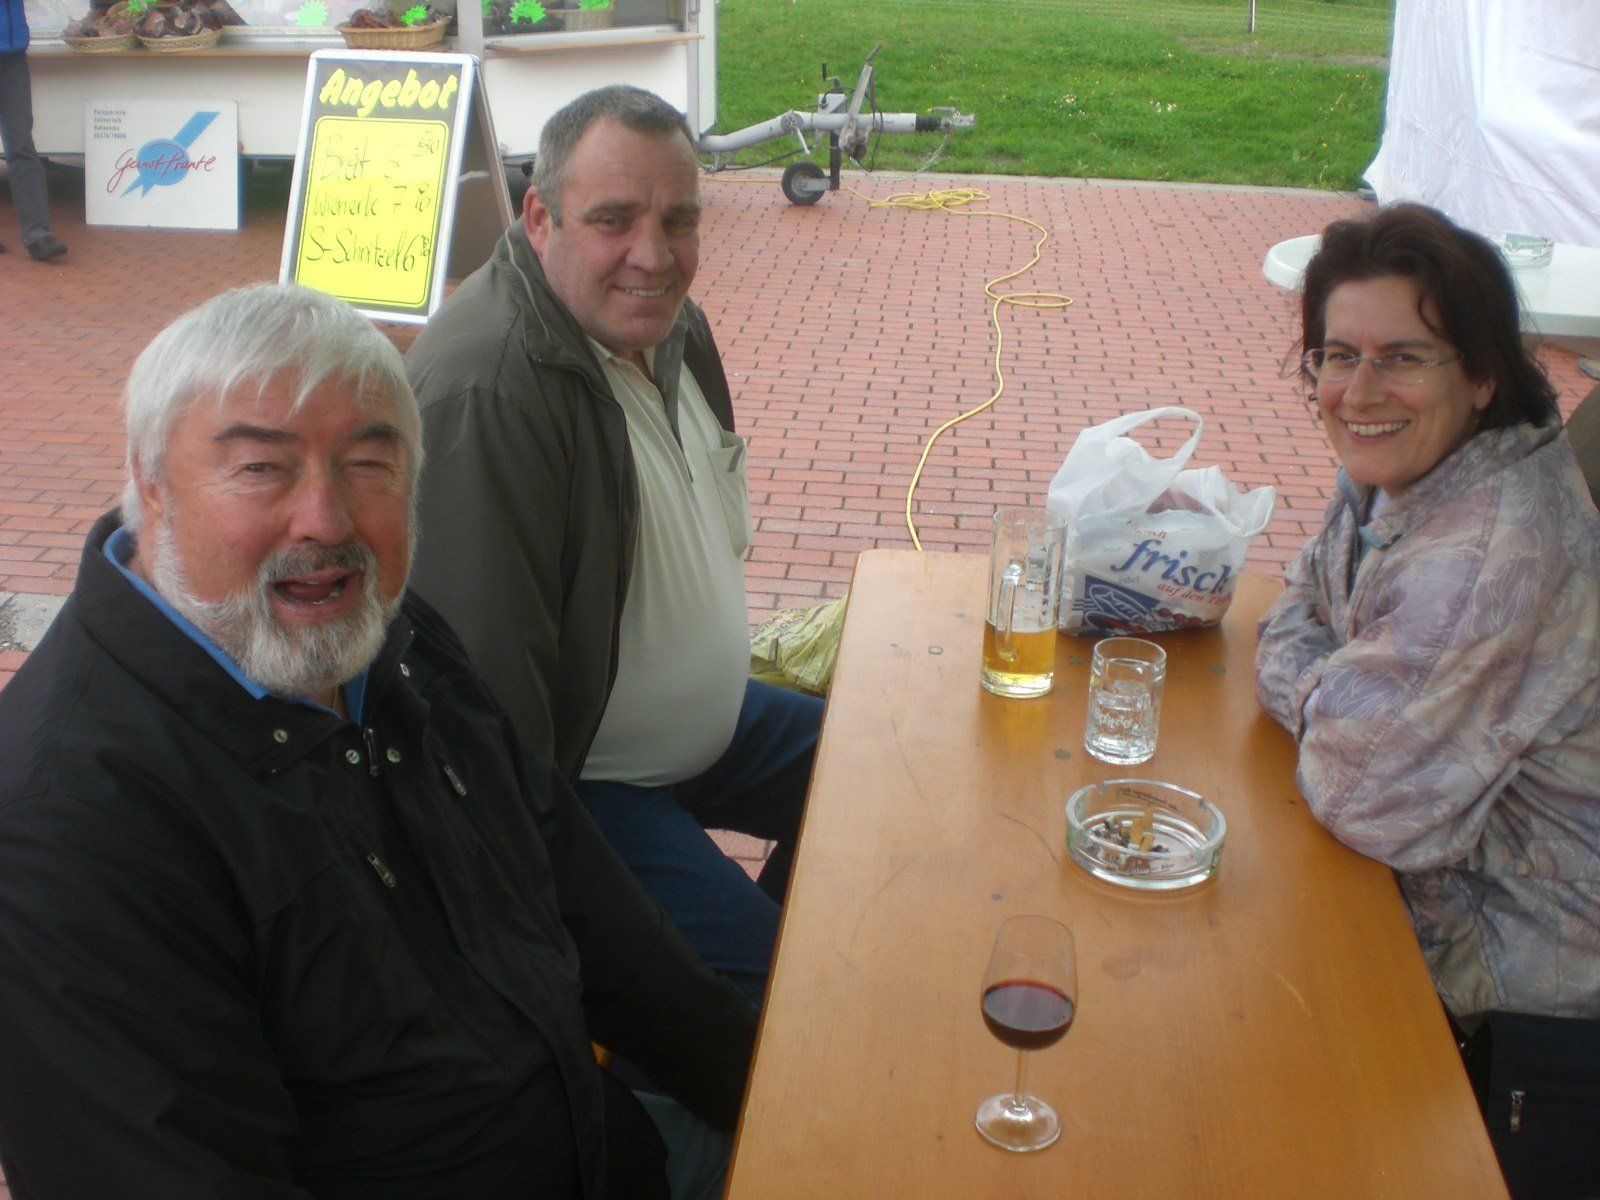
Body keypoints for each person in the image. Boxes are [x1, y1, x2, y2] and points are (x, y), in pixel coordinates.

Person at [0, 283, 755, 1200]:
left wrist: (766, 1090)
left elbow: (592, 910)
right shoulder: (64, 828)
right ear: (152, 483)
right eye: (262, 468)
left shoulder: (391, 641)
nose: (326, 521)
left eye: (368, 464)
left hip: (607, 1153)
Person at [406, 86, 822, 1009]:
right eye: (613, 220)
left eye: (679, 221)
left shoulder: (664, 322)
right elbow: (487, 727)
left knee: (876, 771)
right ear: (540, 218)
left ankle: (742, 984)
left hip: (699, 733)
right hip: (588, 779)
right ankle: (688, 1035)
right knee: (780, 1000)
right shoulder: (490, 392)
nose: (654, 255)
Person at [1254, 203, 1600, 1199]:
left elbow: (1361, 798)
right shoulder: (1404, 472)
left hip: (1521, 1027)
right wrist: (1341, 690)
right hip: (1419, 937)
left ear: (1482, 374)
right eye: (1337, 356)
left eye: (1403, 358)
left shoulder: (1485, 554)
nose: (1359, 392)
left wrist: (1330, 693)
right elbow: (1294, 606)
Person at [0, 0, 67, 261]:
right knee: (21, 145)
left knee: (22, 145)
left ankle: (37, 235)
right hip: (11, 48)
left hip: (13, 53)